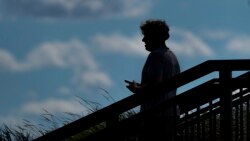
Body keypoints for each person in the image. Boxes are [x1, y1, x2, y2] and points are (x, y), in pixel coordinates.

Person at [125, 19, 180, 141]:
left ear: (156, 37)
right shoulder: (171, 56)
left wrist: (137, 89)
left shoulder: (155, 56)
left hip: (155, 114)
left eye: (146, 36)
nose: (143, 40)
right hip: (171, 112)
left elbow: (155, 83)